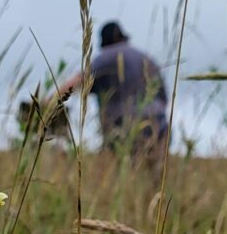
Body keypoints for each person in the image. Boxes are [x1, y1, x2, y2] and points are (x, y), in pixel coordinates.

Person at [59, 21, 169, 163]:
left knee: (123, 177)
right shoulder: (146, 58)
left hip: (123, 127)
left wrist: (49, 101)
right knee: (154, 178)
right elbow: (164, 98)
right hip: (158, 124)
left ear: (104, 42)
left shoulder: (108, 56)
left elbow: (79, 80)